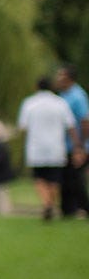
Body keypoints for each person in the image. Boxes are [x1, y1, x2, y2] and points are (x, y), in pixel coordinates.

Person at [18, 76, 80, 221]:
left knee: (39, 178)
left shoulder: (29, 103)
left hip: (36, 147)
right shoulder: (60, 103)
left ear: (36, 86)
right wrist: (77, 145)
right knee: (54, 179)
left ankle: (46, 204)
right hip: (56, 147)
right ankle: (50, 203)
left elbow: (23, 127)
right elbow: (70, 126)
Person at [53, 64, 89, 217]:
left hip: (77, 146)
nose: (58, 78)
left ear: (69, 78)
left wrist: (80, 147)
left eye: (61, 75)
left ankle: (85, 208)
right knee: (66, 180)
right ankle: (68, 210)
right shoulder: (63, 95)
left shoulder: (78, 96)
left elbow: (85, 122)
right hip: (65, 146)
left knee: (76, 180)